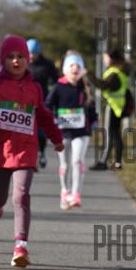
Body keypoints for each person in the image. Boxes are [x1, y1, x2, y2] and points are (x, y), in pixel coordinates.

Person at [0, 35, 64, 267]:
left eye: (21, 56)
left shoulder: (35, 88)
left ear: (28, 59)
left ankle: (21, 246)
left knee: (21, 195)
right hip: (1, 151)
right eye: (11, 57)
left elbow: (43, 115)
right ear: (3, 60)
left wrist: (56, 138)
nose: (16, 61)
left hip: (26, 150)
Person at [45, 53, 95, 209]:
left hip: (81, 131)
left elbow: (91, 107)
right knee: (65, 164)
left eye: (78, 66)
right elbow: (47, 105)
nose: (75, 68)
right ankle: (64, 192)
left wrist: (94, 121)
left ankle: (76, 194)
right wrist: (53, 119)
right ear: (65, 69)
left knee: (77, 161)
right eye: (72, 65)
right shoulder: (58, 87)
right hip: (63, 131)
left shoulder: (85, 87)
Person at [87, 50, 130, 171]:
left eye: (105, 58)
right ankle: (117, 162)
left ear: (111, 59)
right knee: (116, 135)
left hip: (112, 107)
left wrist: (89, 75)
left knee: (109, 134)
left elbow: (103, 85)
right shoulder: (120, 72)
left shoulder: (114, 73)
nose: (104, 60)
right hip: (118, 107)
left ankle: (103, 161)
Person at [27, 38, 59, 169]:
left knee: (41, 132)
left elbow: (56, 81)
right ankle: (32, 158)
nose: (31, 56)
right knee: (29, 131)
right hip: (26, 102)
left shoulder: (47, 64)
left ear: (38, 53)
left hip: (43, 101)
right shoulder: (23, 63)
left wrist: (53, 97)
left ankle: (42, 152)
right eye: (29, 53)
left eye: (34, 53)